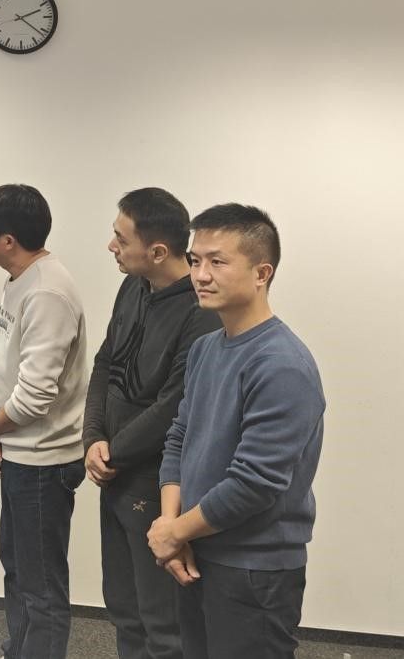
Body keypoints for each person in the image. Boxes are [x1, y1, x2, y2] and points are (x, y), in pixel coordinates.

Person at [147, 204, 324, 659]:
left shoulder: (282, 363)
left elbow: (255, 483)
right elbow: (178, 438)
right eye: (195, 260)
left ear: (262, 273)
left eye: (217, 261)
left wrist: (176, 532)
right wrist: (171, 526)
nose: (200, 275)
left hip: (253, 570)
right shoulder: (206, 348)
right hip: (196, 550)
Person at [83, 188, 220, 659]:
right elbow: (105, 363)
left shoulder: (200, 313)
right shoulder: (134, 286)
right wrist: (93, 438)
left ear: (158, 251)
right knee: (123, 608)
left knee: (164, 622)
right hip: (112, 471)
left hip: (157, 483)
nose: (112, 246)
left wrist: (112, 453)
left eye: (121, 239)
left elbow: (172, 407)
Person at [0, 184, 89, 659]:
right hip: (21, 450)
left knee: (41, 586)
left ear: (8, 240)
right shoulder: (20, 278)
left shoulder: (46, 292)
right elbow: (11, 366)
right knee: (19, 570)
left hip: (44, 462)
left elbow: (37, 394)